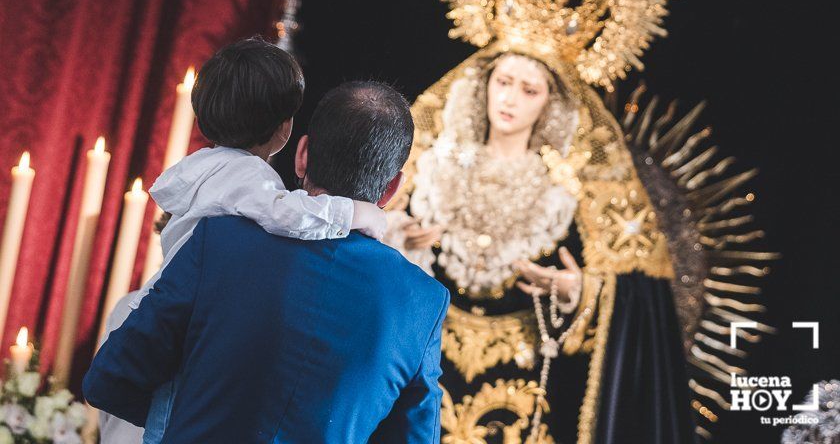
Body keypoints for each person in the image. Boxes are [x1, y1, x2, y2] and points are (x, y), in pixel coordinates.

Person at [84, 81, 450, 444]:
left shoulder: (219, 240)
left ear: (302, 154)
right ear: (392, 187)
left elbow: (109, 381)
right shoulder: (423, 302)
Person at [383, 51, 696, 443]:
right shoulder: (434, 165)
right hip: (430, 362)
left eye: (529, 90)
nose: (510, 99)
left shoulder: (569, 191)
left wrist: (578, 291)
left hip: (526, 380)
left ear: (551, 103)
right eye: (503, 82)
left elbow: (636, 287)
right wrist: (398, 238)